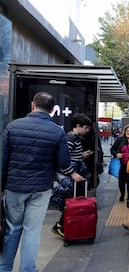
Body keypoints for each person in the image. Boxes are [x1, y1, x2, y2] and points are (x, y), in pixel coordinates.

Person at [0, 92, 83, 272]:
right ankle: (27, 269)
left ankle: (4, 268)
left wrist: (2, 187)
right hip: (41, 187)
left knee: (12, 228)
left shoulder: (13, 127)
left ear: (32, 105)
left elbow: (3, 160)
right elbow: (63, 162)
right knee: (32, 231)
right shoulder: (57, 131)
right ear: (53, 110)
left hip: (14, 187)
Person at [51, 113, 92, 237]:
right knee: (70, 202)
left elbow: (70, 156)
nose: (88, 130)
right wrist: (72, 173)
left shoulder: (75, 139)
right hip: (69, 176)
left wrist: (82, 155)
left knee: (72, 202)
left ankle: (63, 225)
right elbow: (62, 159)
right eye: (86, 128)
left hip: (73, 174)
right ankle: (61, 226)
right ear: (78, 126)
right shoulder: (70, 139)